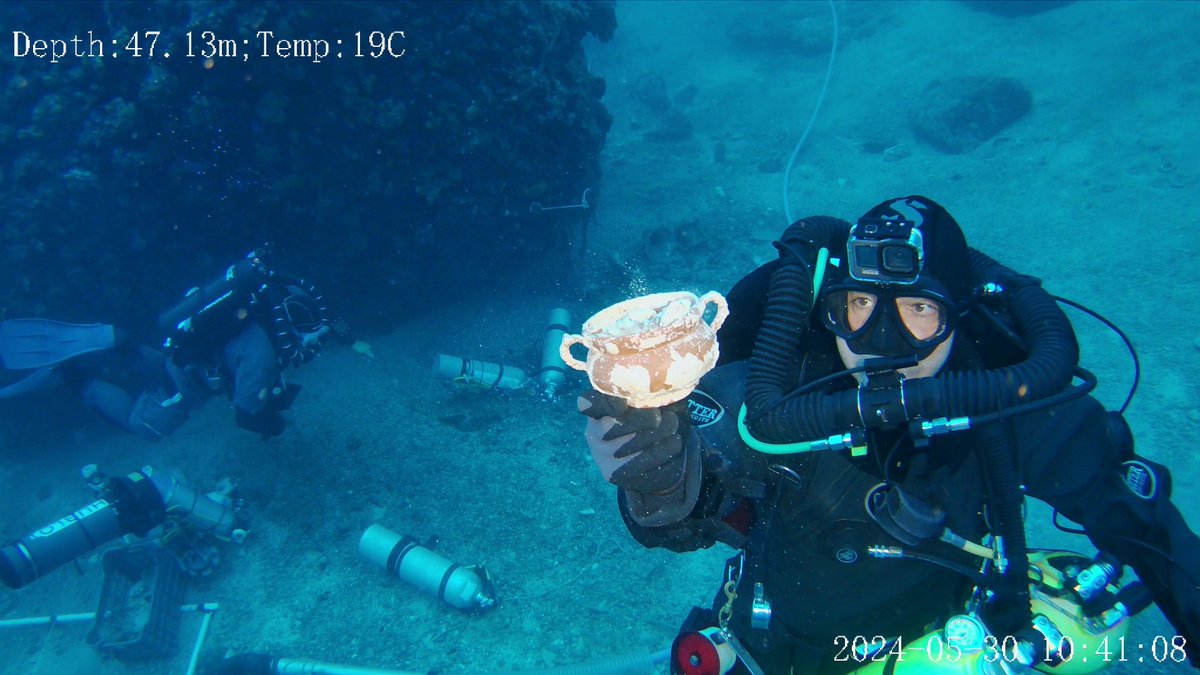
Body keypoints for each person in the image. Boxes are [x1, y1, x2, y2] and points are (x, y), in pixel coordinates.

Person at [578, 196, 1200, 672]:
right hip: (767, 641)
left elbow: (1155, 543)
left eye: (918, 312)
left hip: (933, 646)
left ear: (957, 316)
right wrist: (657, 484)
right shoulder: (786, 388)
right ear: (832, 311)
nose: (881, 344)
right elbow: (688, 521)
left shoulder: (1007, 404)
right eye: (860, 308)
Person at [157, 244, 344, 438]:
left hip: (188, 356)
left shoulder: (274, 300)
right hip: (183, 377)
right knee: (154, 421)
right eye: (310, 340)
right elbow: (246, 416)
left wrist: (349, 339)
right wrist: (277, 426)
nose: (313, 346)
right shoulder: (263, 359)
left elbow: (324, 312)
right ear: (294, 330)